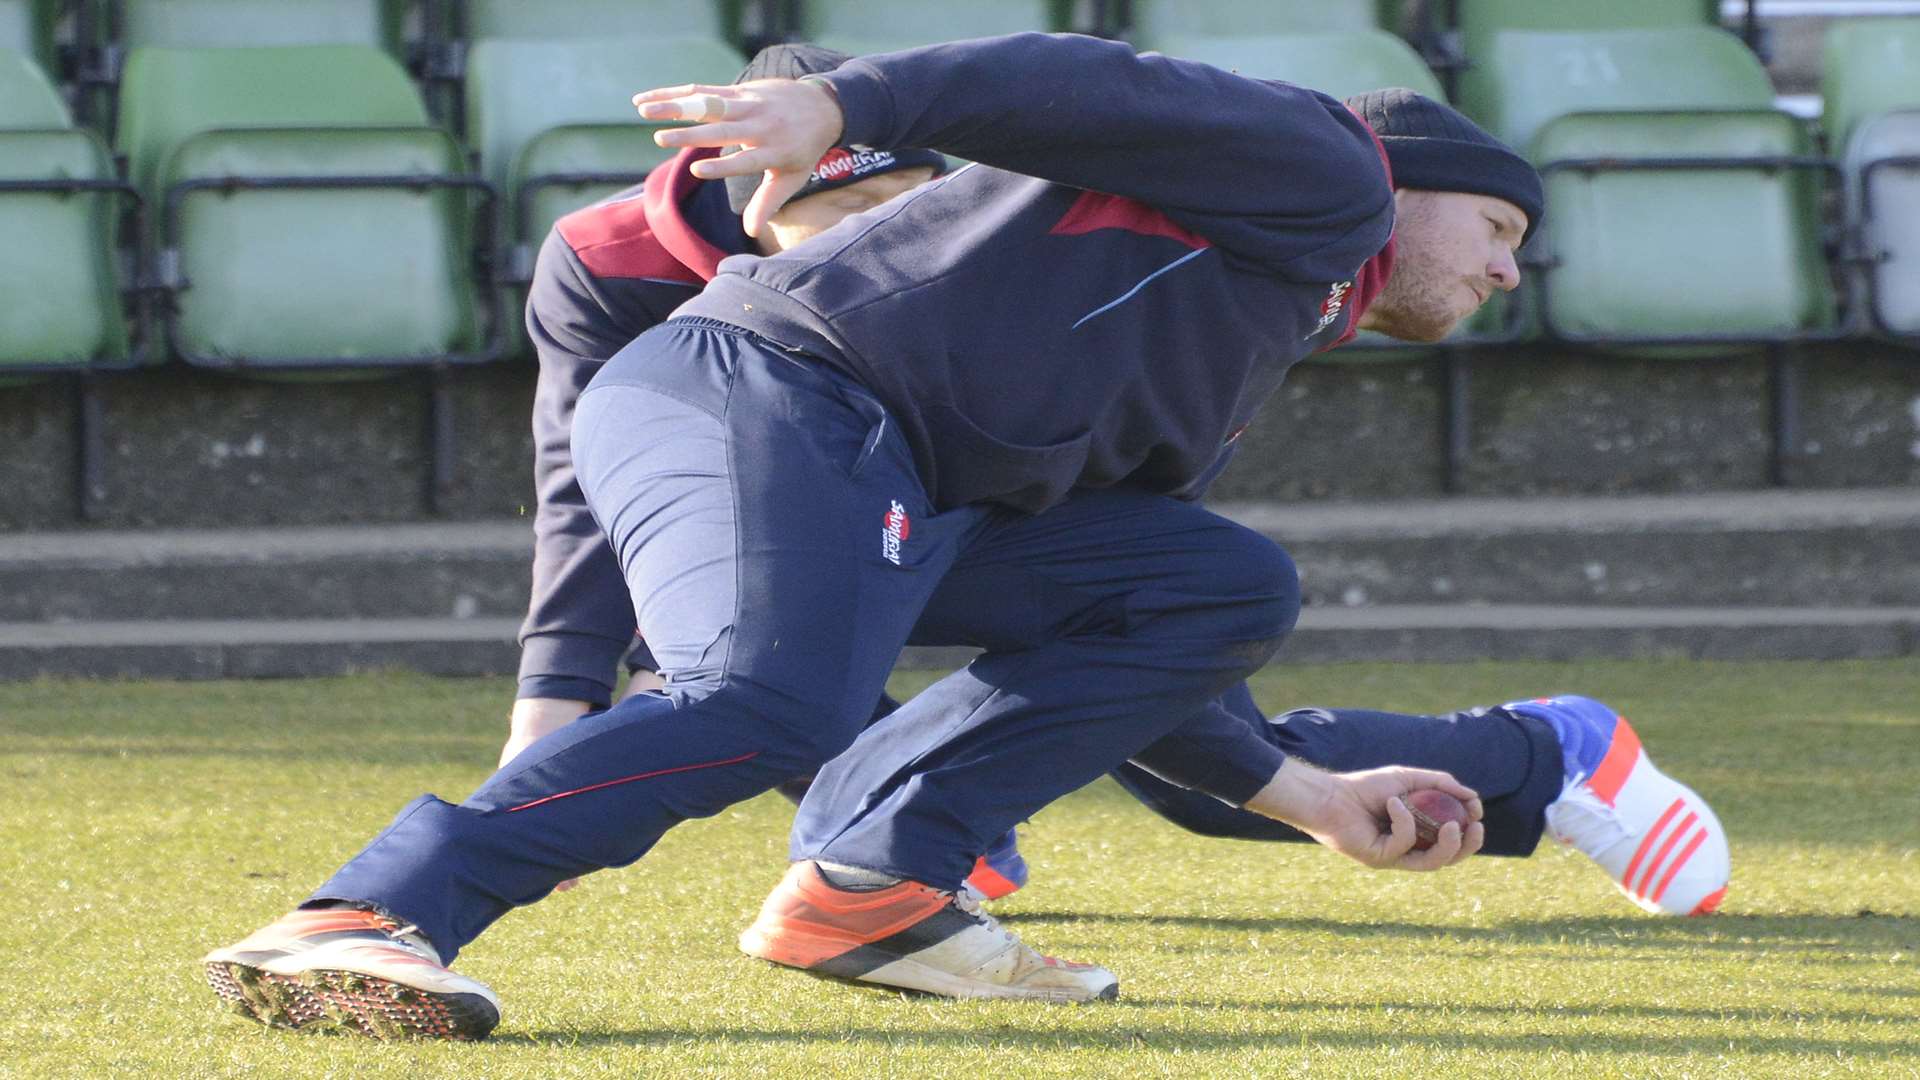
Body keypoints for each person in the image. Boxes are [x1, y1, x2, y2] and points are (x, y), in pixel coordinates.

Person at [201, 35, 1727, 1040]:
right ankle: (370, 911)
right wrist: (845, 107)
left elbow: (1135, 649)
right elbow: (1085, 81)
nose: (1508, 275)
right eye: (1503, 233)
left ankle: (873, 880)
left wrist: (1313, 795)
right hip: (764, 392)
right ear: (1427, 190)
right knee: (770, 696)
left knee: (1209, 581)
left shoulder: (1245, 324)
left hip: (893, 479)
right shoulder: (1332, 175)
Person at [505, 42, 1031, 901]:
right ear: (760, 199)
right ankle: (901, 825)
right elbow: (583, 482)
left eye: (915, 202)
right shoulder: (608, 258)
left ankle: (1294, 774)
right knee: (741, 654)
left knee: (1209, 760)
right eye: (853, 205)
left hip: (935, 497)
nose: (890, 235)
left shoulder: (969, 242)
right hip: (739, 494)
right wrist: (551, 704)